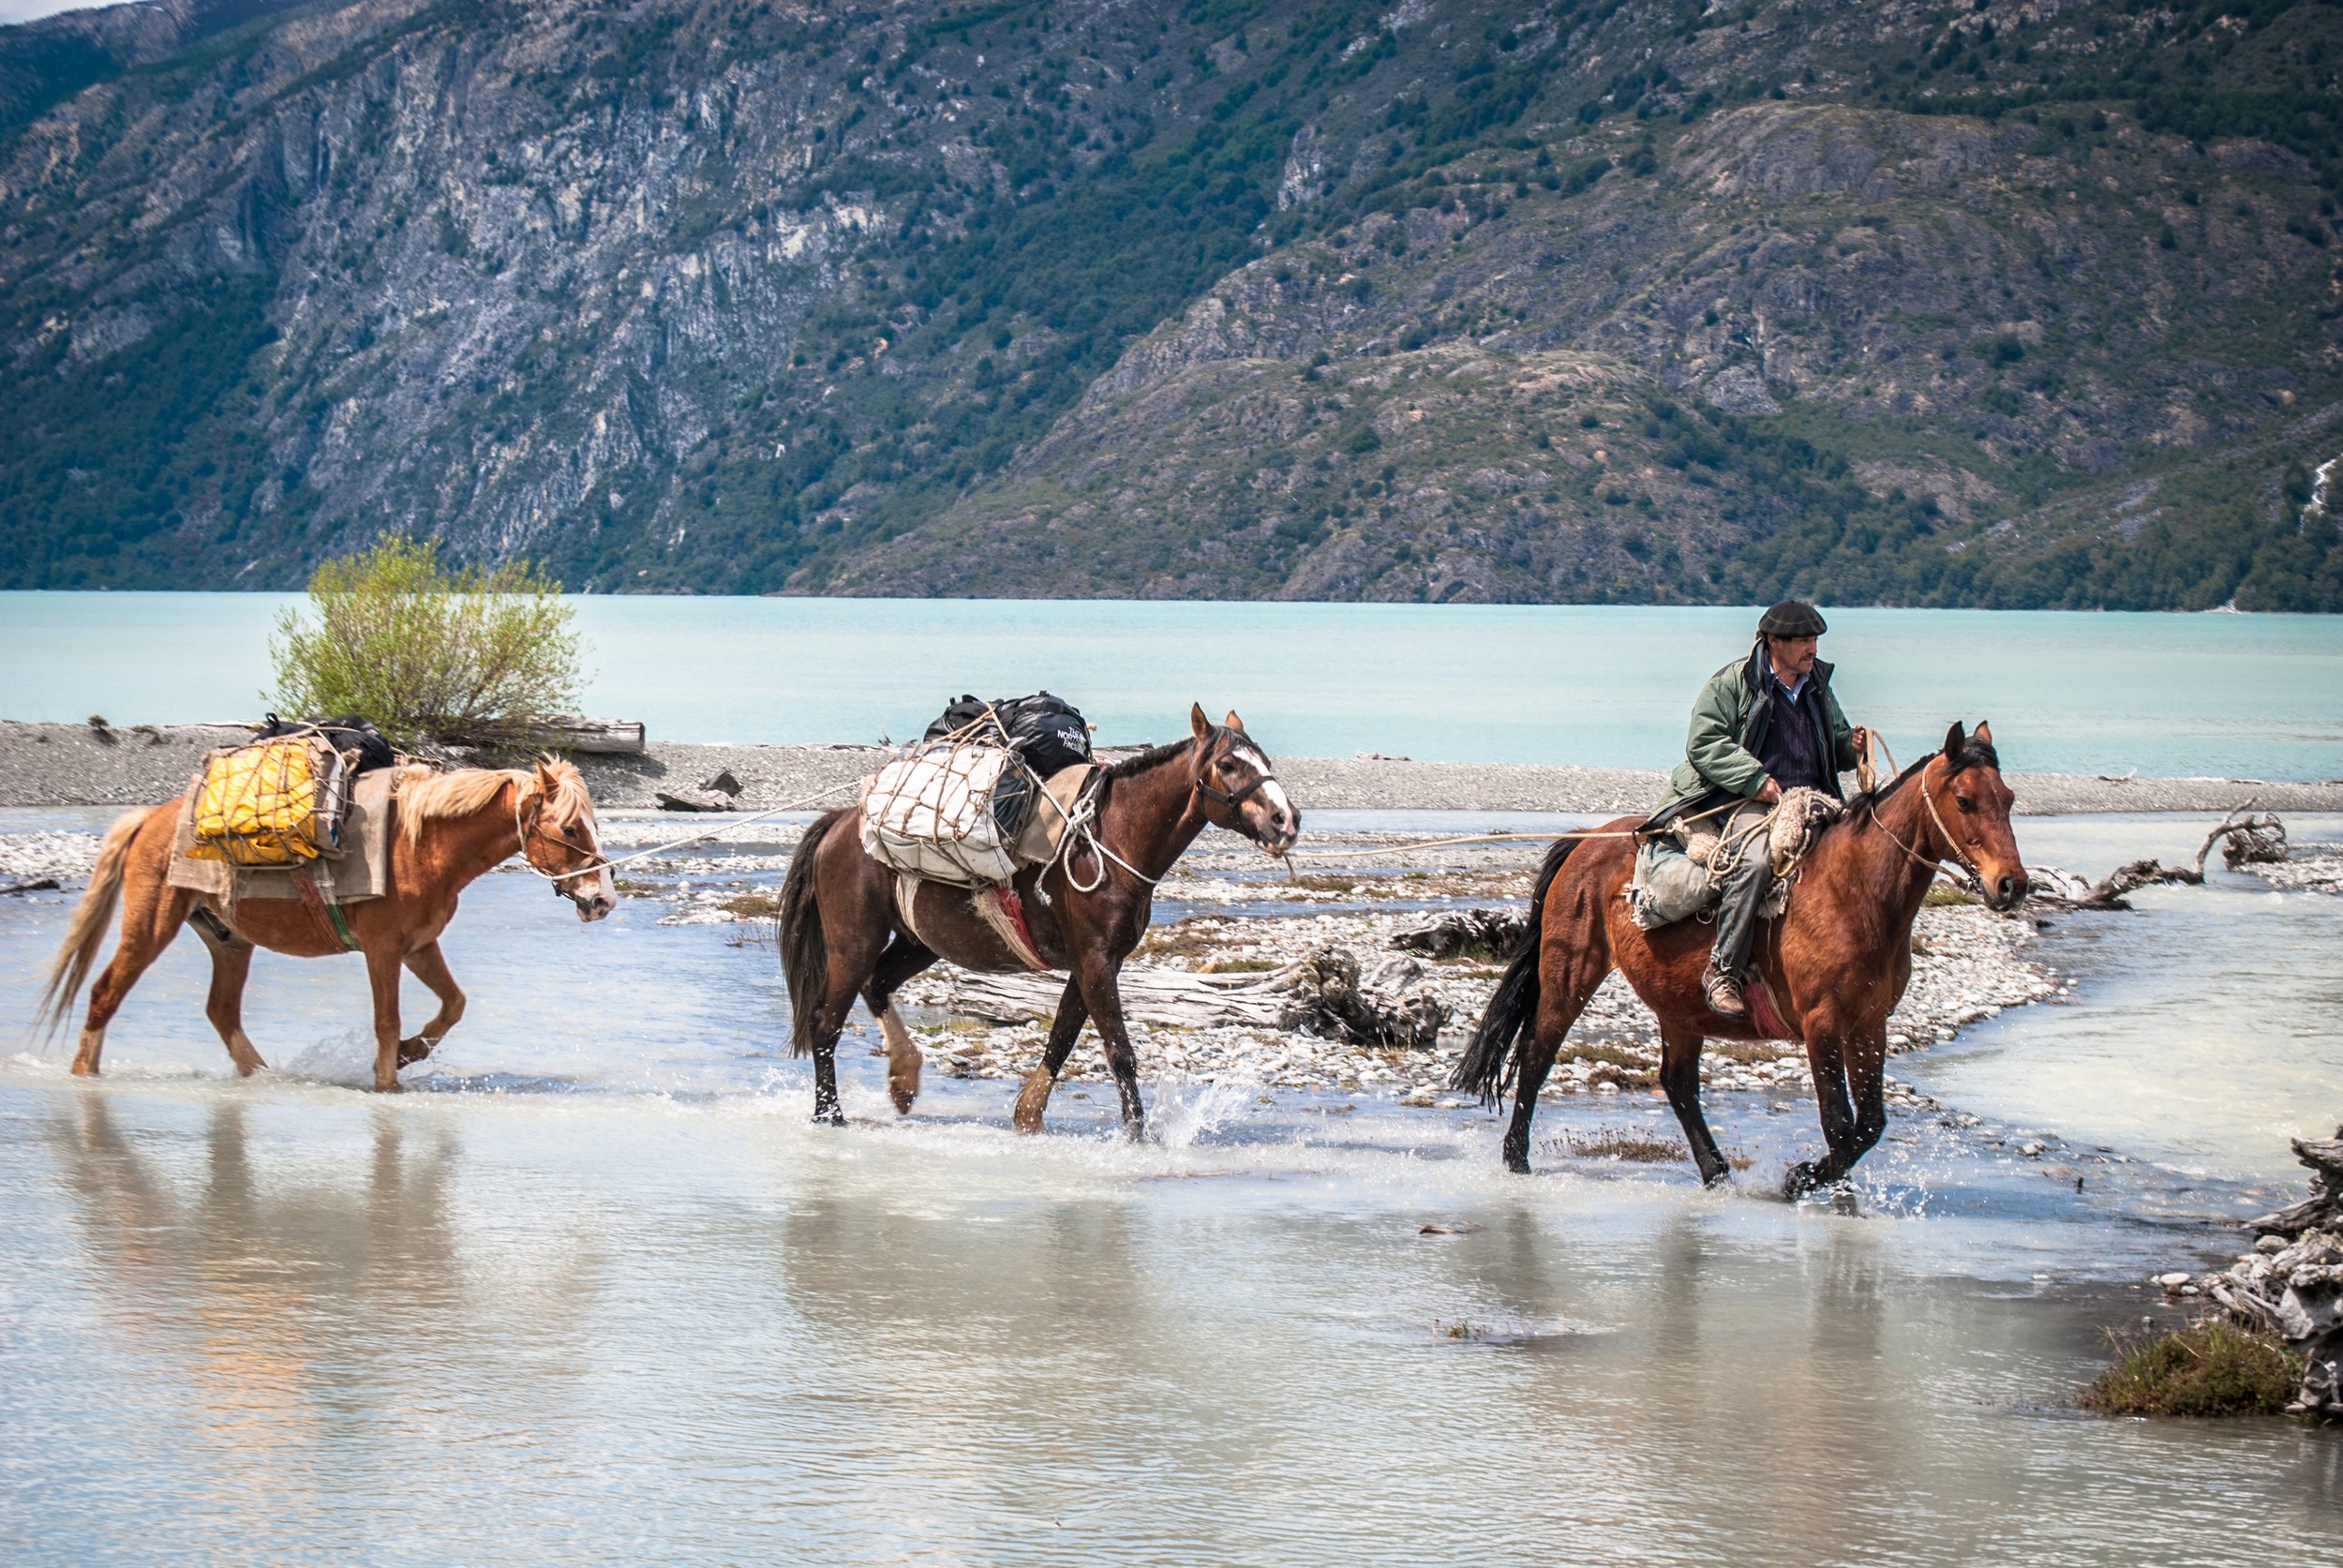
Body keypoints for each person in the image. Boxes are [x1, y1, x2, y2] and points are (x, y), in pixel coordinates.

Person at [1646, 600, 1867, 1018]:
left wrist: (1850, 748)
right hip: (1748, 799)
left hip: (1813, 798)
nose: (1812, 649)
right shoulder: (1732, 684)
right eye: (1802, 640)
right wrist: (1755, 781)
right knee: (1756, 861)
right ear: (1772, 642)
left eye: (1814, 640)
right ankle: (1723, 970)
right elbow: (1704, 744)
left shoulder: (1817, 683)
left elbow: (1834, 745)